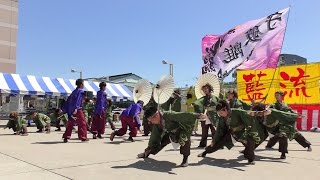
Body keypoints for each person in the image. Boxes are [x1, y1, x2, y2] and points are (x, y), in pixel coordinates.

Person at [197, 100, 268, 165]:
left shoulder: (237, 112)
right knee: (217, 143)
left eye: (221, 112)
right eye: (219, 113)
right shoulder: (222, 118)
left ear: (226, 109)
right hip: (232, 134)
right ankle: (205, 152)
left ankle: (250, 159)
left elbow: (248, 114)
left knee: (250, 143)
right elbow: (219, 130)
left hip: (243, 133)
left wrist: (259, 113)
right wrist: (214, 140)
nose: (220, 115)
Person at [137, 106, 201, 167]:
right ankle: (146, 153)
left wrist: (197, 115)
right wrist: (148, 148)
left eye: (151, 120)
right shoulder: (157, 124)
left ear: (156, 116)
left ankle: (185, 159)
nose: (150, 122)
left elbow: (182, 115)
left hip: (181, 131)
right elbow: (154, 136)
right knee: (158, 142)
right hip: (170, 133)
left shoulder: (168, 114)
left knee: (185, 140)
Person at [193, 83, 219, 148]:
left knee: (214, 131)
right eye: (203, 89)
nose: (205, 90)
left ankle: (216, 144)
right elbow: (198, 103)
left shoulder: (215, 98)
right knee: (204, 132)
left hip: (213, 116)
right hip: (205, 116)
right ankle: (203, 144)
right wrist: (194, 104)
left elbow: (220, 105)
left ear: (209, 88)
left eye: (206, 88)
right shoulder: (203, 98)